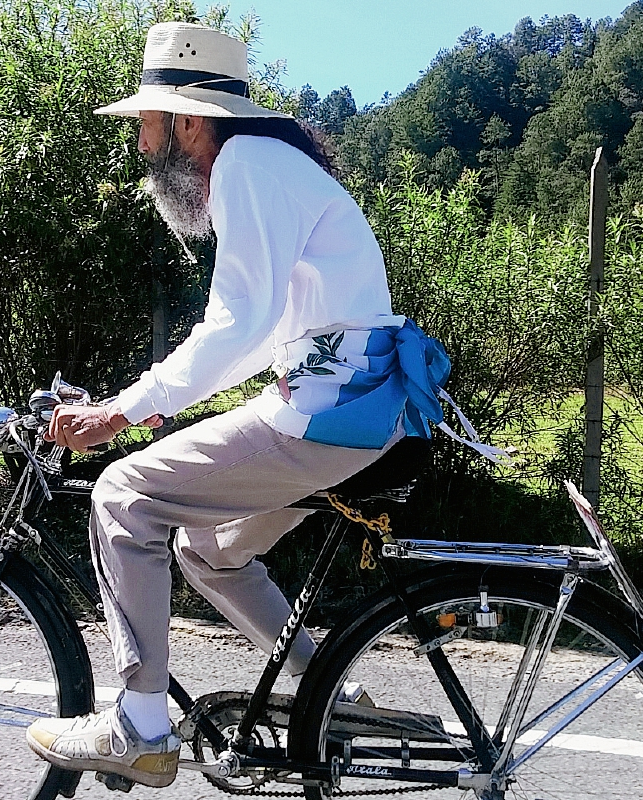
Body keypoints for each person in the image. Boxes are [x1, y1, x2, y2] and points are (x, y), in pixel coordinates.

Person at [25, 21, 456, 789]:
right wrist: (150, 404)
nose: (139, 143)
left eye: (145, 124)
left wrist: (121, 412)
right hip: (348, 406)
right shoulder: (268, 165)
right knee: (208, 550)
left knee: (126, 494)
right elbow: (261, 338)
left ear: (187, 120)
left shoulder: (248, 166)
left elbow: (237, 324)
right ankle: (332, 692)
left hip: (328, 411)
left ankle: (139, 725)